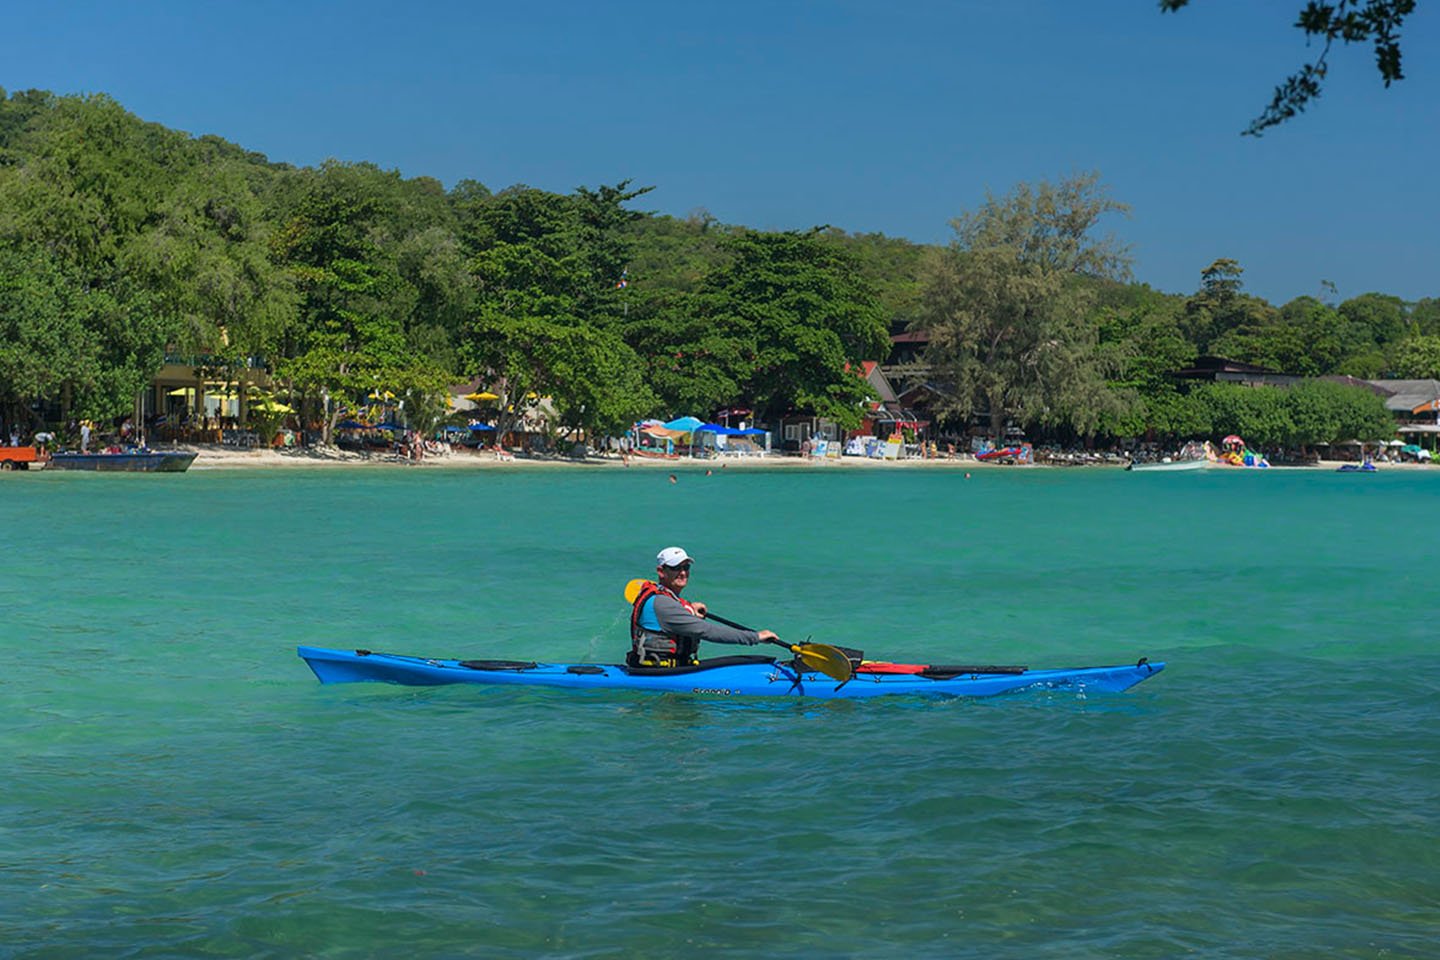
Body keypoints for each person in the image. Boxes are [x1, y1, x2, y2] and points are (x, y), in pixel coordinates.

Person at [629, 547, 779, 667]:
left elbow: (672, 612)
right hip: (661, 672)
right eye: (676, 568)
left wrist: (688, 608)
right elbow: (707, 631)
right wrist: (756, 637)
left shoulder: (665, 599)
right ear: (661, 572)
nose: (683, 573)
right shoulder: (663, 605)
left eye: (686, 567)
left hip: (669, 668)